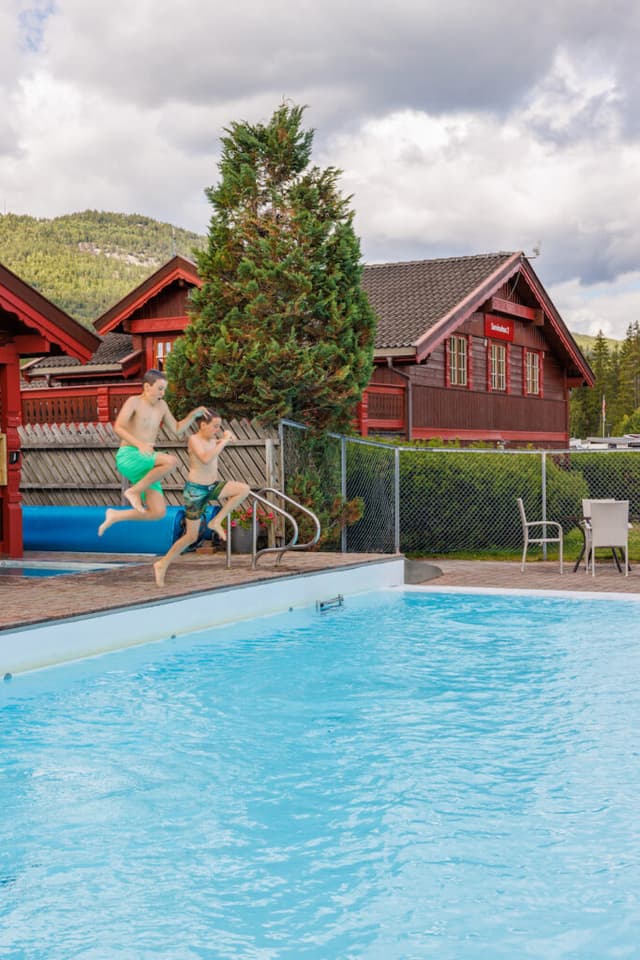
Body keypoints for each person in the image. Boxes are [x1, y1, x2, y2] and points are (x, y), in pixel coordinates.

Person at [98, 368, 210, 537]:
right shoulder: (134, 402)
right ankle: (134, 491)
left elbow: (177, 429)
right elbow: (118, 427)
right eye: (160, 388)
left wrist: (193, 415)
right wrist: (140, 444)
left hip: (146, 461)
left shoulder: (162, 406)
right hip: (129, 454)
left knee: (158, 512)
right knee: (171, 461)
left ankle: (115, 515)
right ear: (147, 387)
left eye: (164, 389)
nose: (163, 393)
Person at [153, 409, 251, 587]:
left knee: (243, 489)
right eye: (215, 426)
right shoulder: (194, 440)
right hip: (195, 491)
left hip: (212, 486)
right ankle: (162, 564)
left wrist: (228, 436)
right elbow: (206, 458)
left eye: (219, 427)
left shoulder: (213, 439)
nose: (217, 430)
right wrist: (224, 441)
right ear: (203, 425)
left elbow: (227, 440)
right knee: (191, 536)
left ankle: (216, 521)